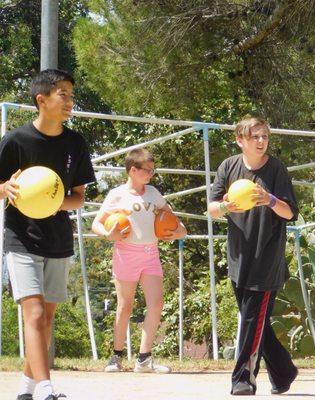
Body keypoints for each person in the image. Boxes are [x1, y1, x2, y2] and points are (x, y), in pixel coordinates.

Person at [0, 69, 96, 400]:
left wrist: (54, 202)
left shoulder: (76, 143)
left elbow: (79, 196)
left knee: (47, 319)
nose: (70, 101)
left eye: (71, 95)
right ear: (42, 99)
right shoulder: (15, 141)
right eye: (63, 94)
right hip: (20, 239)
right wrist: (5, 188)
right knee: (35, 314)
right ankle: (45, 388)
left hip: (58, 238)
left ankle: (27, 387)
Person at [208, 117, 299, 396]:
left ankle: (243, 378)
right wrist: (224, 207)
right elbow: (211, 209)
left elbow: (290, 212)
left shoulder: (276, 169)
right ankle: (284, 370)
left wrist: (270, 200)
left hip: (266, 259)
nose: (261, 142)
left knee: (250, 320)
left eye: (265, 137)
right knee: (254, 321)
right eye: (255, 137)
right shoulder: (228, 166)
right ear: (240, 140)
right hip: (238, 258)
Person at [91, 148, 186, 374]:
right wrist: (108, 235)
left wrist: (180, 232)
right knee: (125, 307)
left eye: (153, 171)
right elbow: (97, 224)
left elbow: (173, 220)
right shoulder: (117, 195)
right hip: (126, 253)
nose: (151, 175)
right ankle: (116, 357)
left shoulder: (153, 193)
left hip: (150, 252)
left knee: (156, 304)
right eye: (147, 170)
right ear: (133, 170)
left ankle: (144, 359)